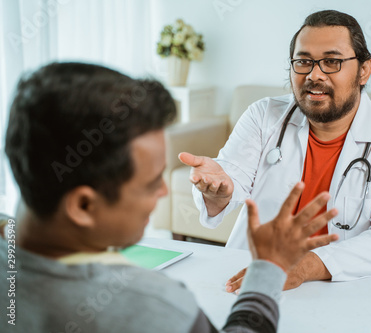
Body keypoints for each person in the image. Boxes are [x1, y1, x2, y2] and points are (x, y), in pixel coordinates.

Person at [0, 62, 338, 333]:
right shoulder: (152, 308)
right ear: (83, 206)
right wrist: (268, 269)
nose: (164, 191)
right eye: (150, 184)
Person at [179, 10, 371, 293]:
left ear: (364, 70)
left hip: (349, 287)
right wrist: (218, 193)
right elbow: (229, 180)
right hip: (255, 276)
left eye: (332, 62)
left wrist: (303, 267)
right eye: (303, 62)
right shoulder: (264, 115)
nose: (314, 74)